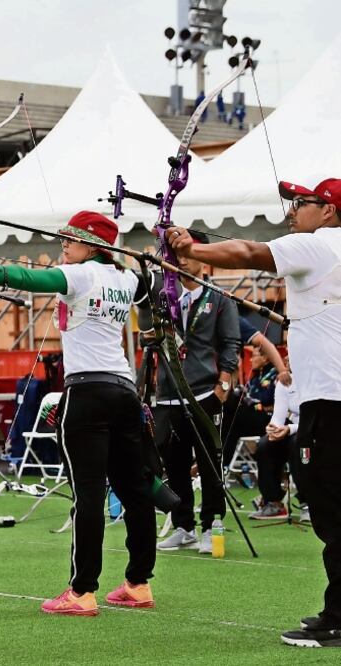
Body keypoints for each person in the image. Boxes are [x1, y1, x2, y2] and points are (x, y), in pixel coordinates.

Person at [0, 211, 155, 616]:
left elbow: (29, 279)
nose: (63, 245)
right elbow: (150, 295)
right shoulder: (127, 279)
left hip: (88, 392)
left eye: (72, 239)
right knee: (135, 490)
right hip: (124, 391)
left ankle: (81, 592)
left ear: (94, 246)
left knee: (89, 494)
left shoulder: (78, 276)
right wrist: (148, 322)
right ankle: (138, 583)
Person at [167, 177, 341, 648]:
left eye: (301, 203)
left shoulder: (320, 245)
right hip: (329, 398)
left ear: (327, 211)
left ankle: (340, 617)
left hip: (329, 402)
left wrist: (191, 248)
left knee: (329, 508)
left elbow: (247, 252)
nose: (292, 210)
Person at [141, 230, 240, 555]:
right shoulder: (163, 294)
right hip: (168, 391)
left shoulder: (218, 298)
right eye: (176, 253)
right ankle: (183, 525)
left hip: (203, 393)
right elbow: (146, 332)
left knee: (210, 461)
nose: (182, 258)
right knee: (175, 462)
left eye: (190, 252)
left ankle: (212, 524)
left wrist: (223, 385)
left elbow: (230, 343)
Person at [250, 357, 306, 521]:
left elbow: (318, 418)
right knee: (265, 444)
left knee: (298, 444)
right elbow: (278, 417)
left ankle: (308, 503)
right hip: (290, 429)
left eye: (291, 357)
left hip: (314, 430)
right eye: (286, 358)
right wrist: (272, 428)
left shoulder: (316, 381)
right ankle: (273, 502)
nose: (287, 361)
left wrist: (290, 429)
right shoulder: (285, 381)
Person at [221, 342, 278, 464]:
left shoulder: (275, 375)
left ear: (265, 358)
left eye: (254, 356)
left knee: (232, 416)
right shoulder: (256, 377)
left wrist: (246, 398)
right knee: (228, 420)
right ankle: (221, 462)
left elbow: (265, 398)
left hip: (267, 420)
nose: (251, 359)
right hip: (251, 419)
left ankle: (222, 463)